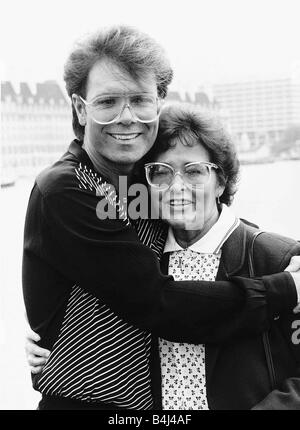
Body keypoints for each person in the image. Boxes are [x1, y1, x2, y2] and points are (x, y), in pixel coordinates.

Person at [23, 25, 300, 410]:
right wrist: (287, 289)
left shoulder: (135, 184)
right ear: (80, 108)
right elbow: (157, 302)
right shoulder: (67, 189)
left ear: (159, 101)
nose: (126, 117)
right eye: (107, 102)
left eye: (140, 100)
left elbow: (206, 220)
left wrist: (277, 254)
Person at [142, 103, 300, 409]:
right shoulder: (142, 263)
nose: (176, 187)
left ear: (221, 182)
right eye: (161, 172)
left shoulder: (281, 260)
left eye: (194, 171)